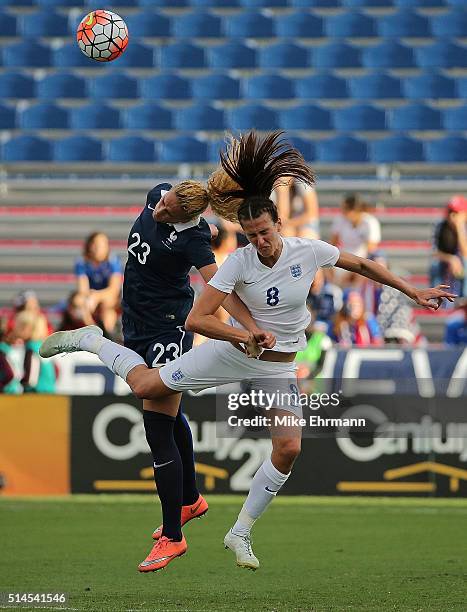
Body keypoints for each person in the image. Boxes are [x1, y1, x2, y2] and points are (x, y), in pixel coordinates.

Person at [40, 131, 455, 573]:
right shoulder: (238, 262)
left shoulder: (307, 250)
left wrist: (414, 291)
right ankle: (91, 339)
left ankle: (239, 532)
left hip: (280, 367)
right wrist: (245, 334)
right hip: (233, 353)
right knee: (145, 386)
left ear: (278, 223)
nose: (260, 241)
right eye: (252, 235)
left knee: (289, 447)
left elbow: (363, 265)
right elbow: (196, 320)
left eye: (264, 232)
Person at [74, 232, 123, 335]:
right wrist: (89, 299)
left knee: (107, 307)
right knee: (79, 302)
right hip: (90, 298)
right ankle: (92, 331)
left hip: (108, 298)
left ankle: (108, 335)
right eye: (96, 244)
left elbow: (114, 290)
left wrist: (97, 296)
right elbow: (83, 290)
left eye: (103, 245)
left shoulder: (112, 261)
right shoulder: (82, 262)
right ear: (90, 246)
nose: (99, 248)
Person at [430, 195, 467, 301]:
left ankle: (464, 299)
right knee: (435, 264)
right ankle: (436, 298)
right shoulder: (440, 226)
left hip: (463, 264)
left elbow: (465, 253)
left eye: (456, 212)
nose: (452, 216)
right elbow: (434, 252)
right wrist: (451, 259)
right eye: (450, 212)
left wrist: (460, 228)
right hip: (445, 262)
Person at [14, 311, 56, 393]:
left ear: (27, 328)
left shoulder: (31, 347)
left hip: (37, 394)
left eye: (18, 326)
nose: (15, 329)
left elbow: (31, 380)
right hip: (49, 391)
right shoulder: (41, 345)